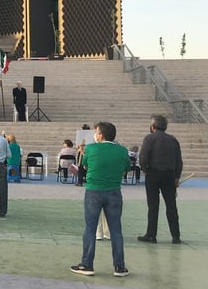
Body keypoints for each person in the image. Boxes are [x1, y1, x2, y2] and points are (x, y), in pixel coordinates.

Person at [70, 121, 131, 277]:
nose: (95, 135)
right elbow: (126, 169)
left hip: (94, 191)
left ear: (101, 135)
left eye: (96, 132)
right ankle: (119, 267)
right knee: (116, 229)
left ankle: (87, 264)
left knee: (90, 228)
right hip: (114, 192)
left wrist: (84, 153)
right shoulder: (122, 150)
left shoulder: (90, 149)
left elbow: (85, 166)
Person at [138, 114, 183, 244]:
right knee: (171, 206)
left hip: (153, 173)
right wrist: (176, 177)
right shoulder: (173, 140)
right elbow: (179, 161)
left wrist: (145, 170)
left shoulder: (149, 138)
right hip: (169, 175)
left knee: (153, 206)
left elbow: (143, 157)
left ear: (152, 127)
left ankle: (151, 235)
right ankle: (176, 236)